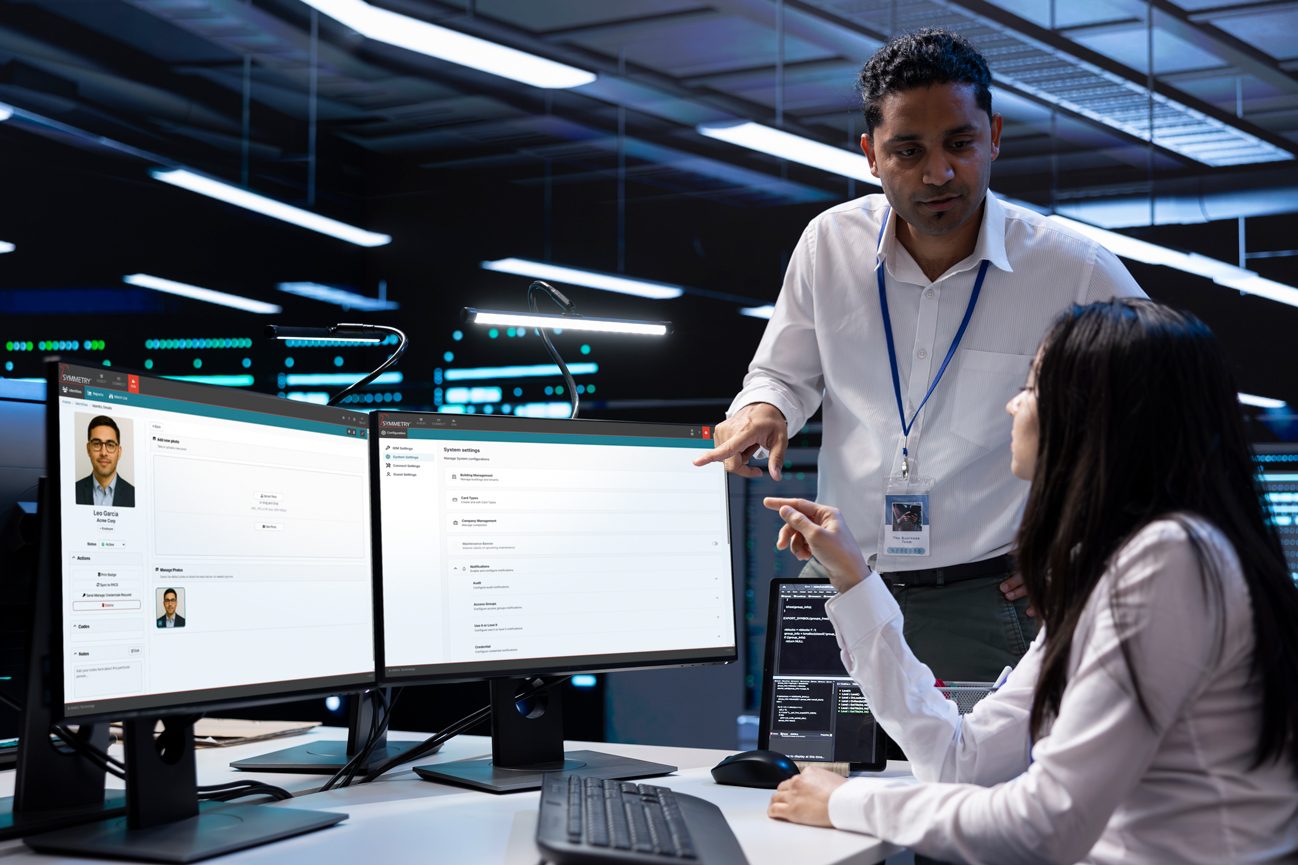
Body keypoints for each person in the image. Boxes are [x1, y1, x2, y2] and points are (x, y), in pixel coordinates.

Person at [763, 299, 1298, 864]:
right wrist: (853, 580)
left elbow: (1044, 825)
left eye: (1034, 386)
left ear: (1095, 417)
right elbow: (959, 760)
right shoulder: (1128, 563)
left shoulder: (1169, 561)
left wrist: (849, 801)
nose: (1013, 404)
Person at [694, 29, 1144, 682]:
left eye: (960, 144)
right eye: (908, 151)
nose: (939, 173)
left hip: (986, 600)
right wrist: (764, 407)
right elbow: (782, 373)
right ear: (871, 156)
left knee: (979, 781)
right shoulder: (829, 244)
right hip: (840, 580)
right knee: (817, 780)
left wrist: (1084, 542)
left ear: (993, 138)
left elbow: (1162, 414)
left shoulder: (1074, 269)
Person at [74, 415, 135, 508]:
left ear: (119, 452)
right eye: (96, 444)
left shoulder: (134, 495)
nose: (103, 453)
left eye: (110, 445)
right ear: (88, 449)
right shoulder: (73, 491)